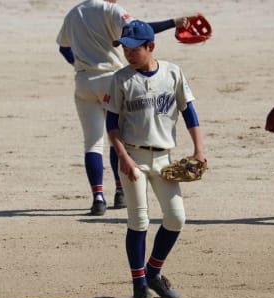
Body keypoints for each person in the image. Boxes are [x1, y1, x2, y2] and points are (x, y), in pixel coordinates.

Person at [104, 20, 206, 298]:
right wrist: (122, 157)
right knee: (139, 220)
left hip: (164, 158)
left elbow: (189, 112)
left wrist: (199, 149)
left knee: (176, 218)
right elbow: (111, 123)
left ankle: (153, 272)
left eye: (134, 48)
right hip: (132, 156)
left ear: (151, 46)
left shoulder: (173, 72)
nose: (128, 53)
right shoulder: (121, 78)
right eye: (124, 47)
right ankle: (139, 285)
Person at [56, 0, 190, 216]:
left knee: (92, 142)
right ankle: (120, 191)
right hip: (112, 79)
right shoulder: (111, 9)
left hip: (84, 81)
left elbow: (63, 48)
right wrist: (173, 22)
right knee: (118, 136)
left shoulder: (73, 13)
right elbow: (140, 31)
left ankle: (98, 198)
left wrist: (79, 65)